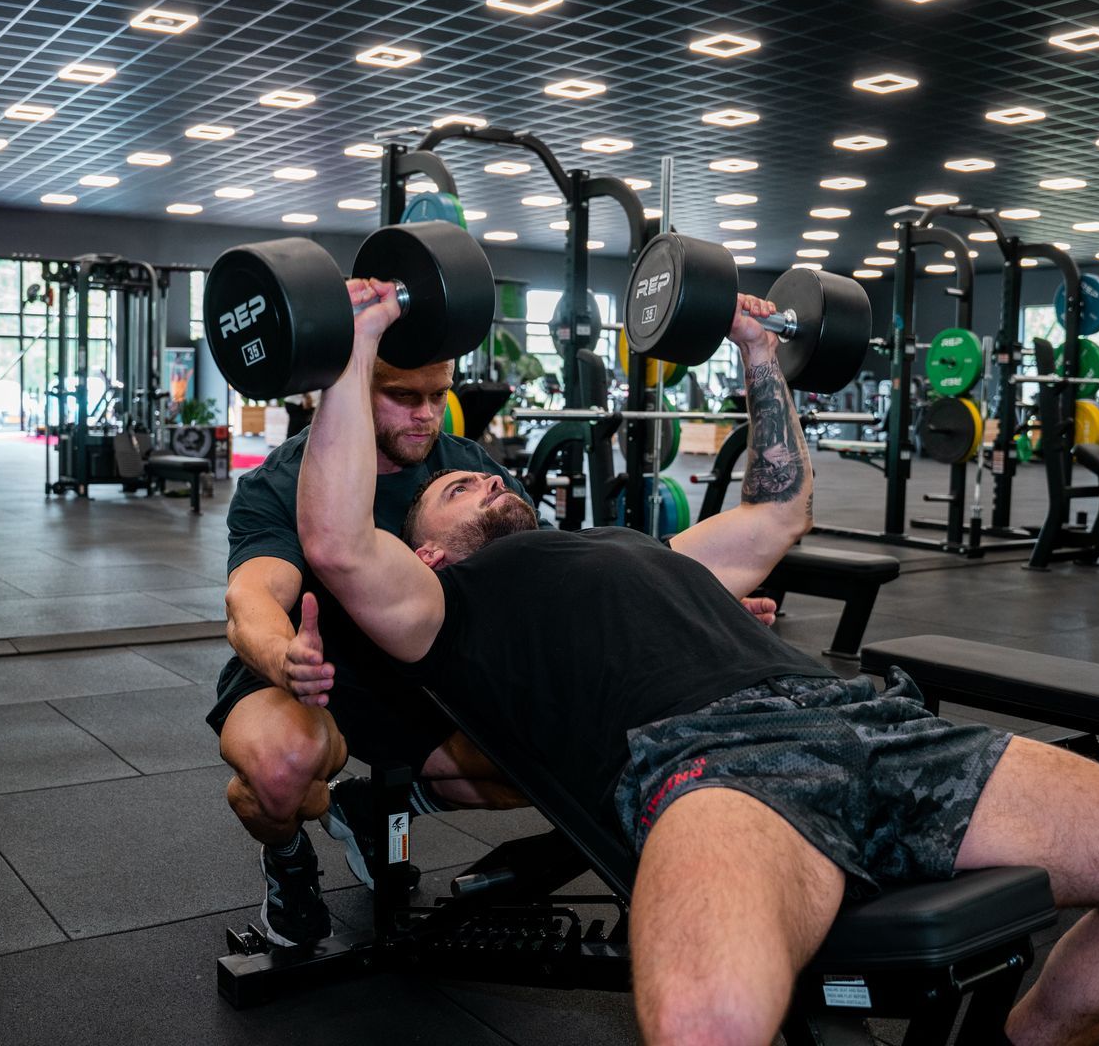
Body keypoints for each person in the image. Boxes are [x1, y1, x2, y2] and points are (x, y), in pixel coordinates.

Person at [295, 280, 1099, 1046]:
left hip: (869, 722)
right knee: (708, 1025)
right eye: (459, 487)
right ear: (424, 554)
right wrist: (353, 355)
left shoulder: (642, 551)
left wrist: (764, 357)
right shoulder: (446, 609)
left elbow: (780, 507)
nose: (487, 478)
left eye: (490, 474)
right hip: (711, 772)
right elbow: (339, 545)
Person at [213, 298, 776, 949]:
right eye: (402, 396)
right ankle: (289, 867)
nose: (426, 414)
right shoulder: (282, 483)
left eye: (437, 394)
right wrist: (284, 655)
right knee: (283, 766)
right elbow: (248, 598)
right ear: (352, 383)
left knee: (573, 751)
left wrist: (691, 602)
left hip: (427, 677)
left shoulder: (470, 471)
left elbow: (558, 582)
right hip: (310, 670)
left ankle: (374, 814)